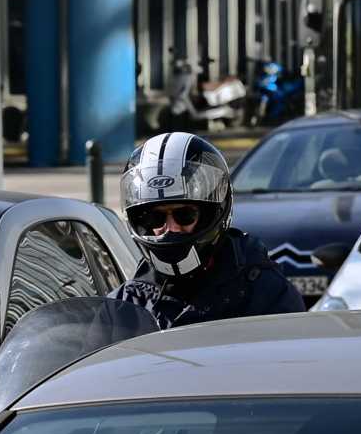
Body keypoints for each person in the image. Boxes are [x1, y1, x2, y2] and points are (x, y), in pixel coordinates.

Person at [111, 132, 305, 327]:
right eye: (155, 218)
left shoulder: (265, 293)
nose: (171, 228)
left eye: (184, 215)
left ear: (210, 214)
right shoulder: (124, 305)